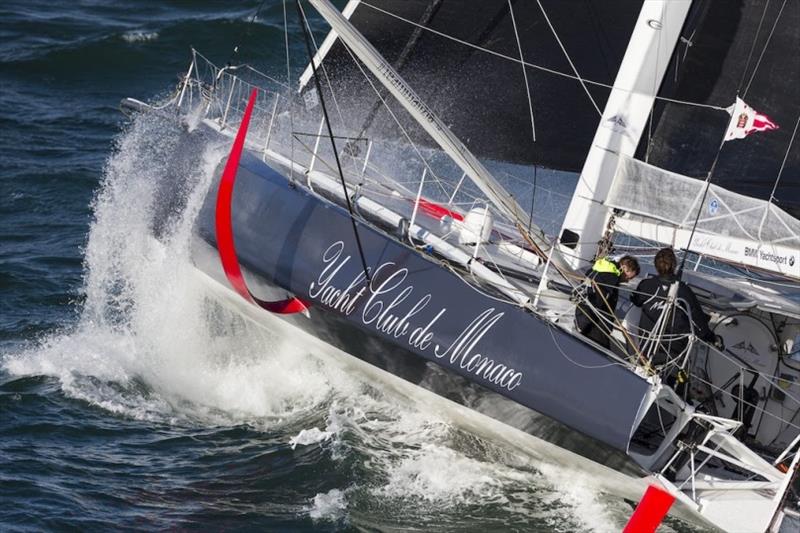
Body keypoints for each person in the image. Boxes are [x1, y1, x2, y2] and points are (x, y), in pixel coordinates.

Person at [630, 248, 718, 367]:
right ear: (674, 265)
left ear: (656, 265)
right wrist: (712, 338)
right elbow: (698, 321)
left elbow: (636, 300)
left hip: (647, 347)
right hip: (673, 351)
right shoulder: (684, 291)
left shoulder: (646, 285)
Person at [575, 255, 640, 348]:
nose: (628, 280)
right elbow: (598, 303)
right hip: (593, 325)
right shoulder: (611, 278)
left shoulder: (599, 269)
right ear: (624, 267)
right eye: (629, 277)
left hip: (582, 317)